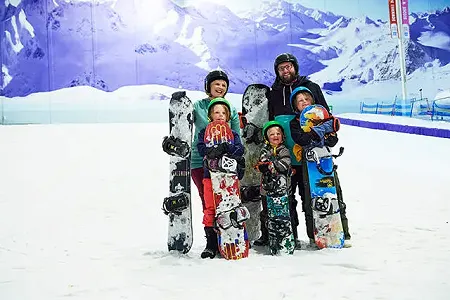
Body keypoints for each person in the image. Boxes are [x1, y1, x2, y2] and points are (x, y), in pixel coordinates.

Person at [254, 52, 349, 247]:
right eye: (281, 68)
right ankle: (285, 233)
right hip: (284, 154)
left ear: (295, 67)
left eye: (288, 67)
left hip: (311, 155)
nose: (285, 71)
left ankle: (330, 231)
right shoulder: (274, 92)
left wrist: (328, 134)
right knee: (283, 197)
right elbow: (270, 121)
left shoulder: (310, 88)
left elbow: (323, 115)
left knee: (316, 194)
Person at [289, 86, 351, 247]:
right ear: (295, 106)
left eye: (306, 99)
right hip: (307, 162)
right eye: (300, 101)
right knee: (312, 198)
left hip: (325, 159)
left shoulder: (325, 120)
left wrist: (324, 130)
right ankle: (313, 234)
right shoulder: (294, 123)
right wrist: (320, 131)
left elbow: (332, 140)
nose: (303, 102)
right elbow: (301, 139)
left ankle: (342, 232)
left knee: (333, 194)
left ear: (313, 101)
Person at [197, 98, 245, 258]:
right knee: (210, 208)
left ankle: (235, 237)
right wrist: (215, 150)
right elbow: (202, 149)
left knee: (231, 207)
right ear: (210, 115)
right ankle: (211, 244)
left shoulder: (234, 134)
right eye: (216, 112)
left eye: (223, 112)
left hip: (229, 179)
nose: (220, 115)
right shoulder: (204, 133)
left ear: (228, 116)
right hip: (209, 177)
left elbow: (239, 150)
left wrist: (228, 147)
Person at [254, 121, 291, 247]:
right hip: (267, 189)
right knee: (266, 213)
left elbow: (285, 164)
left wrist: (271, 165)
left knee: (282, 213)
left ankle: (285, 235)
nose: (275, 136)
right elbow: (261, 164)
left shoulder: (284, 150)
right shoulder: (264, 150)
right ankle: (266, 235)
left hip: (281, 190)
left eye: (278, 133)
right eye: (272, 134)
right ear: (267, 137)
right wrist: (264, 166)